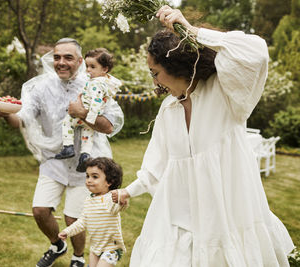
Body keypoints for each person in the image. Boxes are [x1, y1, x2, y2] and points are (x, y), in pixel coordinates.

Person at [114, 5, 294, 267]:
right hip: (178, 224)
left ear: (175, 65)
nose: (154, 82)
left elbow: (256, 53)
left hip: (226, 221)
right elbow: (156, 166)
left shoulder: (225, 93)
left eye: (155, 73)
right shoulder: (169, 109)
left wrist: (192, 31)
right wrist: (127, 192)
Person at [0, 38, 124, 267]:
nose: (61, 62)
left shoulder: (95, 84)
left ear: (81, 61)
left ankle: (78, 256)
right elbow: (21, 120)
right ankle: (57, 245)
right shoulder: (41, 87)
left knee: (73, 218)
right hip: (54, 159)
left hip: (87, 164)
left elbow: (110, 126)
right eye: (57, 57)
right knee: (40, 210)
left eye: (68, 58)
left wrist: (82, 112)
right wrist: (6, 114)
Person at [55, 48, 122, 172]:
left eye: (92, 67)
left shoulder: (97, 83)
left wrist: (87, 116)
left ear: (104, 69)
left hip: (88, 115)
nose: (88, 70)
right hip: (89, 119)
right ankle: (85, 156)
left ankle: (68, 147)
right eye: (87, 66)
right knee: (87, 135)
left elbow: (96, 101)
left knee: (67, 123)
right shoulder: (105, 83)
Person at [59, 157, 127, 267]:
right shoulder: (88, 201)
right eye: (87, 176)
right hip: (95, 248)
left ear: (109, 181)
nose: (89, 180)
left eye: (94, 177)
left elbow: (117, 207)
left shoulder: (110, 198)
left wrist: (121, 201)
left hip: (111, 248)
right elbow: (82, 222)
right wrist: (67, 232)